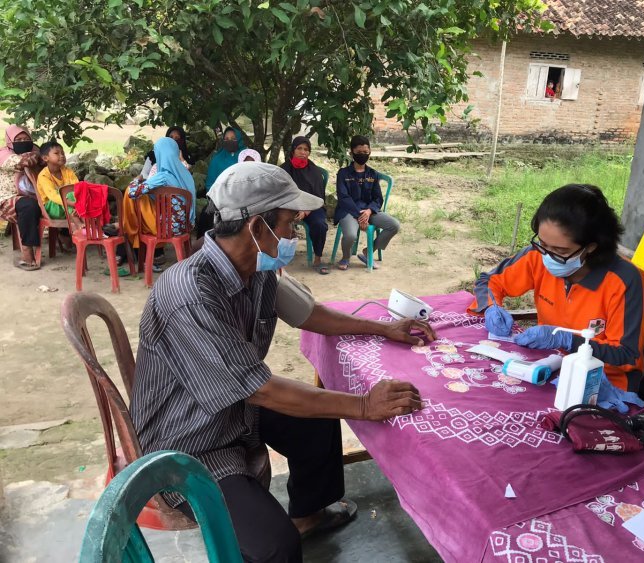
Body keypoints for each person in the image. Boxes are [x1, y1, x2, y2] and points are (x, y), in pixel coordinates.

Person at [130, 162, 435, 562]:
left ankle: (307, 515)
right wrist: (363, 405)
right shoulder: (190, 295)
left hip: (234, 410)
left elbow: (309, 313)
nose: (293, 233)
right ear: (258, 228)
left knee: (318, 417)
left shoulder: (254, 267)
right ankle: (287, 534)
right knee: (276, 548)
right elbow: (261, 389)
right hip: (189, 441)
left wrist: (382, 327)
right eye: (289, 223)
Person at [469, 184, 644, 392]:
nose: (547, 256)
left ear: (591, 247)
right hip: (548, 366)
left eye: (559, 250)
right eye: (542, 243)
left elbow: (627, 356)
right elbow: (489, 281)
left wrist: (568, 341)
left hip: (601, 385)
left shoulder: (625, 281)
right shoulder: (537, 255)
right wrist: (492, 306)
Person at [122, 137, 196, 270]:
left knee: (132, 195)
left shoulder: (162, 176)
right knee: (147, 200)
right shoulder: (185, 172)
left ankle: (124, 228)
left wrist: (136, 181)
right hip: (185, 225)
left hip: (165, 228)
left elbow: (133, 192)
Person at [333, 135, 400, 271]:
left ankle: (368, 251)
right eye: (359, 152)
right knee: (351, 235)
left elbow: (378, 198)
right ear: (351, 153)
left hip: (369, 211)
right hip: (349, 211)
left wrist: (369, 211)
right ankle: (345, 256)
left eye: (365, 152)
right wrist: (359, 215)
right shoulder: (343, 173)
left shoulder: (372, 174)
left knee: (394, 225)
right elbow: (343, 198)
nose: (363, 155)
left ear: (370, 152)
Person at [280, 136, 329, 275]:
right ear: (293, 150)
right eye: (299, 148)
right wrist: (294, 209)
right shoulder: (283, 170)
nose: (303, 152)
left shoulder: (314, 171)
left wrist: (306, 210)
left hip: (312, 207)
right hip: (289, 207)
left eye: (306, 149)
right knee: (276, 221)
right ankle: (277, 258)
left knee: (320, 224)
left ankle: (318, 258)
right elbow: (280, 194)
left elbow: (319, 196)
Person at [0, 125, 42, 270]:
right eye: (18, 139)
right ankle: (27, 253)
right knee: (28, 206)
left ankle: (65, 239)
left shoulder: (35, 150)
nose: (23, 142)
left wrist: (38, 155)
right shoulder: (3, 154)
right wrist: (38, 155)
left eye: (26, 139)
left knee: (57, 200)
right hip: (8, 198)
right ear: (9, 141)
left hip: (34, 195)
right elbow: (25, 162)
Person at [36, 141, 79, 220]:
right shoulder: (43, 175)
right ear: (45, 158)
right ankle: (78, 224)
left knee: (81, 190)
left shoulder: (68, 171)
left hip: (71, 205)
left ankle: (82, 219)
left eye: (63, 153)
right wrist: (75, 204)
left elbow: (77, 188)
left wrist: (79, 204)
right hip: (51, 209)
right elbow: (53, 196)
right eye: (57, 153)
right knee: (65, 194)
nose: (62, 156)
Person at [205, 127, 245, 192]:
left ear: (239, 140)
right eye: (226, 139)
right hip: (223, 198)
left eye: (233, 138)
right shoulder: (216, 160)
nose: (230, 141)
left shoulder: (247, 157)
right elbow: (210, 185)